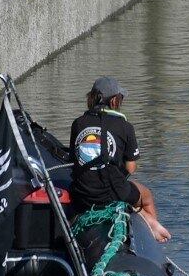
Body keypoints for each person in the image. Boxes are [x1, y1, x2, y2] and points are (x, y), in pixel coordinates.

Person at [69, 77, 171, 243]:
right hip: (112, 191)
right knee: (146, 196)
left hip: (82, 193)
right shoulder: (125, 127)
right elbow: (130, 167)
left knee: (127, 196)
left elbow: (75, 160)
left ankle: (145, 219)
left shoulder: (78, 123)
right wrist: (116, 176)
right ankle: (149, 239)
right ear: (115, 100)